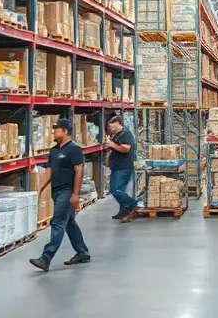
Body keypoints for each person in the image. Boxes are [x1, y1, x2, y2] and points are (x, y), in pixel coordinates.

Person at [29, 118, 90, 271]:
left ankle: (46, 258)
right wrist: (40, 190)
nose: (53, 132)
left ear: (65, 131)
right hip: (56, 191)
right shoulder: (54, 150)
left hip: (67, 191)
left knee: (57, 222)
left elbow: (79, 171)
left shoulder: (74, 149)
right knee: (69, 224)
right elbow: (49, 171)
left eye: (56, 129)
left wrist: (75, 194)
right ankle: (82, 253)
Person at [103, 115, 137, 221]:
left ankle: (133, 204)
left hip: (123, 167)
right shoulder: (116, 135)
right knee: (114, 190)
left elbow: (126, 148)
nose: (110, 128)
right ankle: (124, 210)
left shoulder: (126, 134)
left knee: (117, 190)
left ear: (118, 123)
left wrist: (112, 145)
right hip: (116, 167)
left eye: (112, 125)